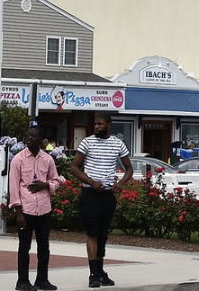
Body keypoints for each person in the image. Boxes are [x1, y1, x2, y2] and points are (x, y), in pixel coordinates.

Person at [70, 114, 132, 288]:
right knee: (92, 233)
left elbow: (129, 168)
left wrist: (119, 183)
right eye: (95, 123)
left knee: (102, 235)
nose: (96, 126)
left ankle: (100, 271)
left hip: (107, 195)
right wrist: (91, 181)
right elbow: (74, 167)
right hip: (90, 193)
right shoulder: (87, 143)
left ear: (109, 125)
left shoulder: (118, 144)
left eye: (100, 124)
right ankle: (93, 274)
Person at [9, 125, 61, 291]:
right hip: (26, 209)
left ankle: (42, 279)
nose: (29, 138)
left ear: (41, 141)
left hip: (44, 208)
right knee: (24, 246)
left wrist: (45, 185)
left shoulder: (48, 159)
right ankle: (22, 281)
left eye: (33, 136)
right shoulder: (18, 159)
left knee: (43, 246)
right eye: (28, 135)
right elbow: (14, 187)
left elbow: (56, 181)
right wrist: (18, 213)